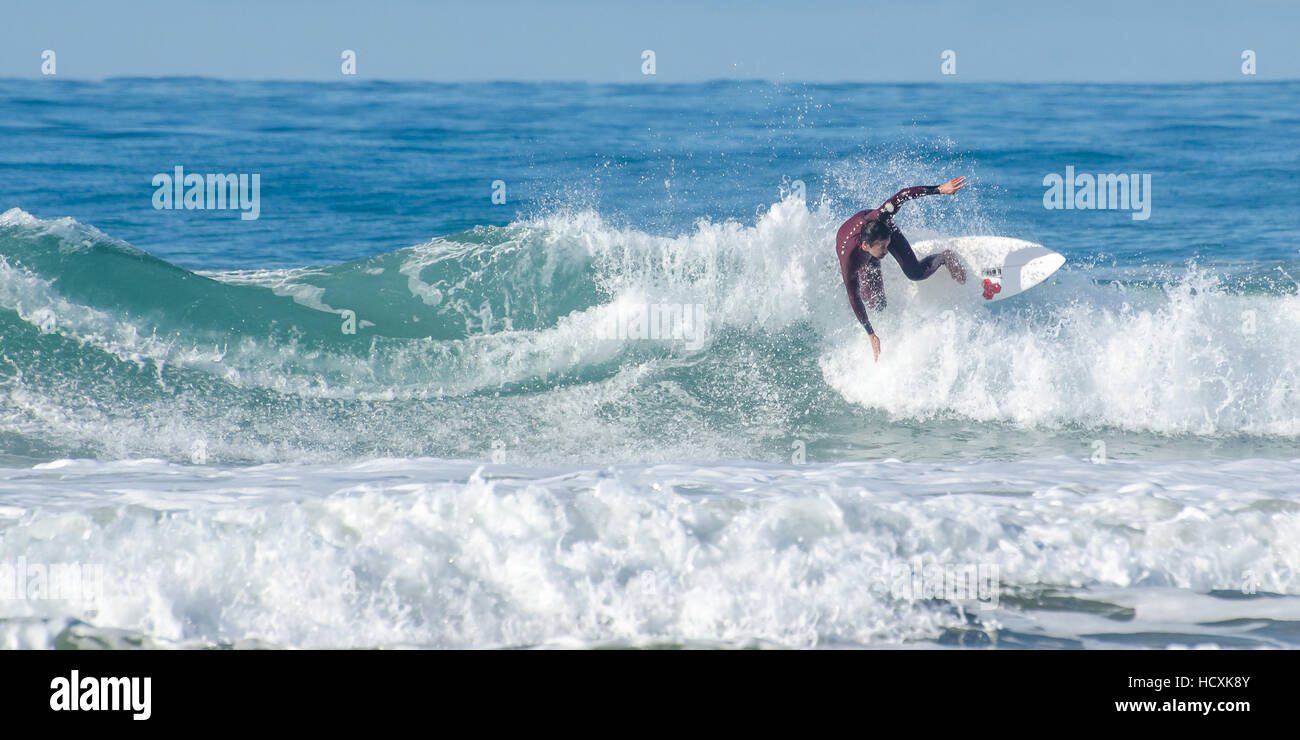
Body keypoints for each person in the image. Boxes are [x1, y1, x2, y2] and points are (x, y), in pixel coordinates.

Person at [835, 176, 968, 361]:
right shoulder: (850, 261)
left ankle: (944, 257)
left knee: (915, 273)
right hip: (866, 245)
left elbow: (903, 195)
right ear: (865, 247)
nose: (886, 250)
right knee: (876, 304)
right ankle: (878, 263)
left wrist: (939, 189)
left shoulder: (882, 217)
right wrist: (870, 333)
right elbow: (853, 296)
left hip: (879, 228)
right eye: (883, 248)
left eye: (887, 246)